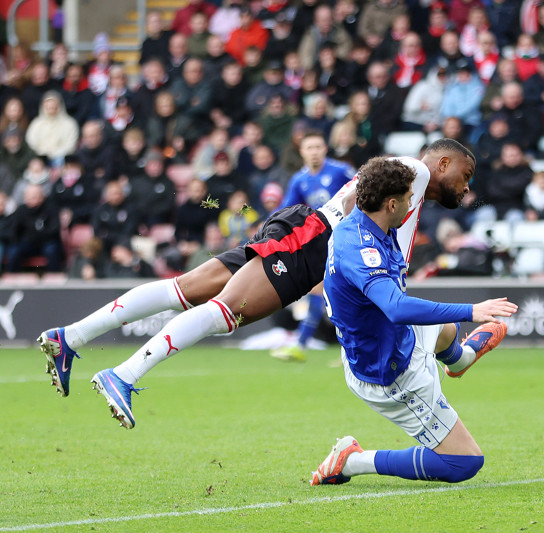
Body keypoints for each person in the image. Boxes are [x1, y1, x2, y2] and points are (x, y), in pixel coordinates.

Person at [38, 139, 477, 426]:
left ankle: (71, 336)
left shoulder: (413, 189)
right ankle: (123, 374)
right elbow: (363, 192)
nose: (466, 186)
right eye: (464, 175)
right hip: (312, 241)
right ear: (441, 162)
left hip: (304, 231)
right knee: (222, 314)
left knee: (183, 289)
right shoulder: (416, 173)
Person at [310, 156, 517, 486]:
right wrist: (471, 310)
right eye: (409, 199)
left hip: (388, 335)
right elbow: (396, 307)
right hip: (389, 371)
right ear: (391, 203)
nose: (413, 204)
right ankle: (351, 461)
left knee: (444, 330)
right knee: (463, 462)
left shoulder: (368, 219)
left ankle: (460, 360)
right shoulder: (360, 248)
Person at [270, 131, 355, 361]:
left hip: (350, 240)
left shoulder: (340, 171)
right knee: (324, 292)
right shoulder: (300, 179)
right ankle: (306, 345)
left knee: (346, 294)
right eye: (310, 148)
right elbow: (287, 208)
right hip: (324, 242)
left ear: (325, 148)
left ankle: (306, 344)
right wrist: (267, 225)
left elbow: (364, 190)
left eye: (318, 146)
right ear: (302, 152)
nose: (314, 151)